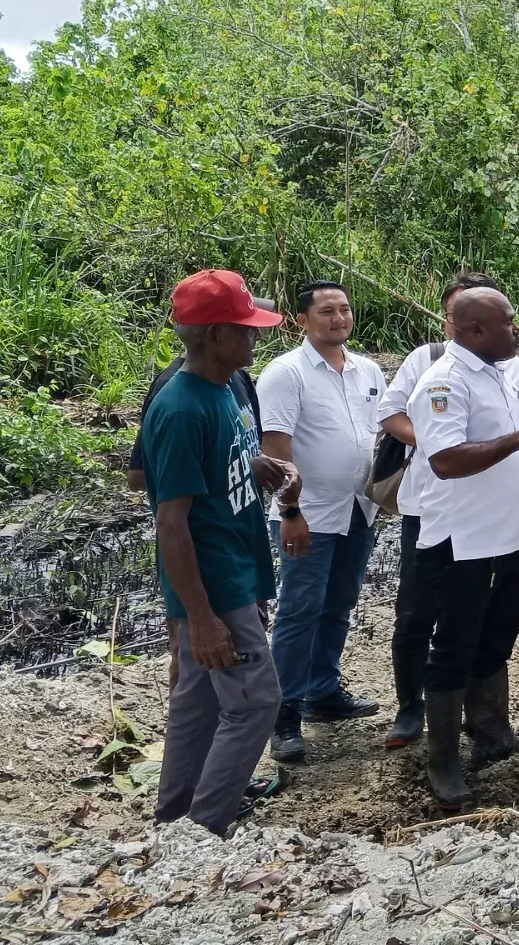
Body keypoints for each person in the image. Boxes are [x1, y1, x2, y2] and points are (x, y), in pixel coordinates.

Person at [144, 270, 294, 836]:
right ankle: (205, 828)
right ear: (213, 336)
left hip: (235, 570)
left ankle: (173, 821)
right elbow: (171, 523)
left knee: (199, 701)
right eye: (246, 328)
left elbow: (214, 467)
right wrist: (202, 619)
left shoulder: (226, 388)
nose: (256, 337)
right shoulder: (181, 409)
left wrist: (255, 464)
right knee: (256, 703)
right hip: (214, 585)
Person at [410, 287, 519, 808]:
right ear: (475, 330)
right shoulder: (445, 382)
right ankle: (443, 762)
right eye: (508, 322)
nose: (517, 330)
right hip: (464, 541)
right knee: (453, 648)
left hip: (511, 535)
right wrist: (518, 439)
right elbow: (446, 459)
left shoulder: (499, 372)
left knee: (496, 640)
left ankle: (492, 734)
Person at [257, 281, 388, 764]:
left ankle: (323, 691)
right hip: (308, 512)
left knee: (339, 603)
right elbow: (276, 447)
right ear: (302, 320)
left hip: (358, 506)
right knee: (300, 608)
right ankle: (284, 712)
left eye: (345, 309)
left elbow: (381, 431)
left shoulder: (367, 370)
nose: (339, 318)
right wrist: (290, 511)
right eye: (327, 311)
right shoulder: (286, 373)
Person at [374, 271, 503, 749]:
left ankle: (479, 715)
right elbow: (390, 413)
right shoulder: (428, 361)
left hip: (483, 511)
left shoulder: (506, 366)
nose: (461, 323)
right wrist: (435, 439)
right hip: (426, 505)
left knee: (475, 612)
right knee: (416, 609)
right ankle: (410, 708)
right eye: (453, 314)